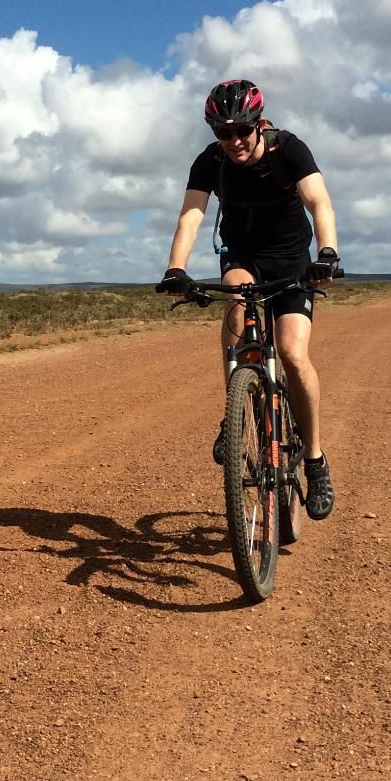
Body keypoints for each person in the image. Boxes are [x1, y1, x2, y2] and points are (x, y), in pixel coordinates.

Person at [157, 78, 341, 520]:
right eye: (223, 133)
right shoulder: (210, 162)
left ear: (259, 124)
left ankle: (314, 462)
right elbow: (192, 215)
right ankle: (234, 412)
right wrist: (176, 268)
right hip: (243, 254)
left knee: (294, 355)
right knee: (236, 309)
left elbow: (318, 203)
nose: (234, 141)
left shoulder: (289, 149)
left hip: (293, 260)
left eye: (242, 130)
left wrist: (327, 254)